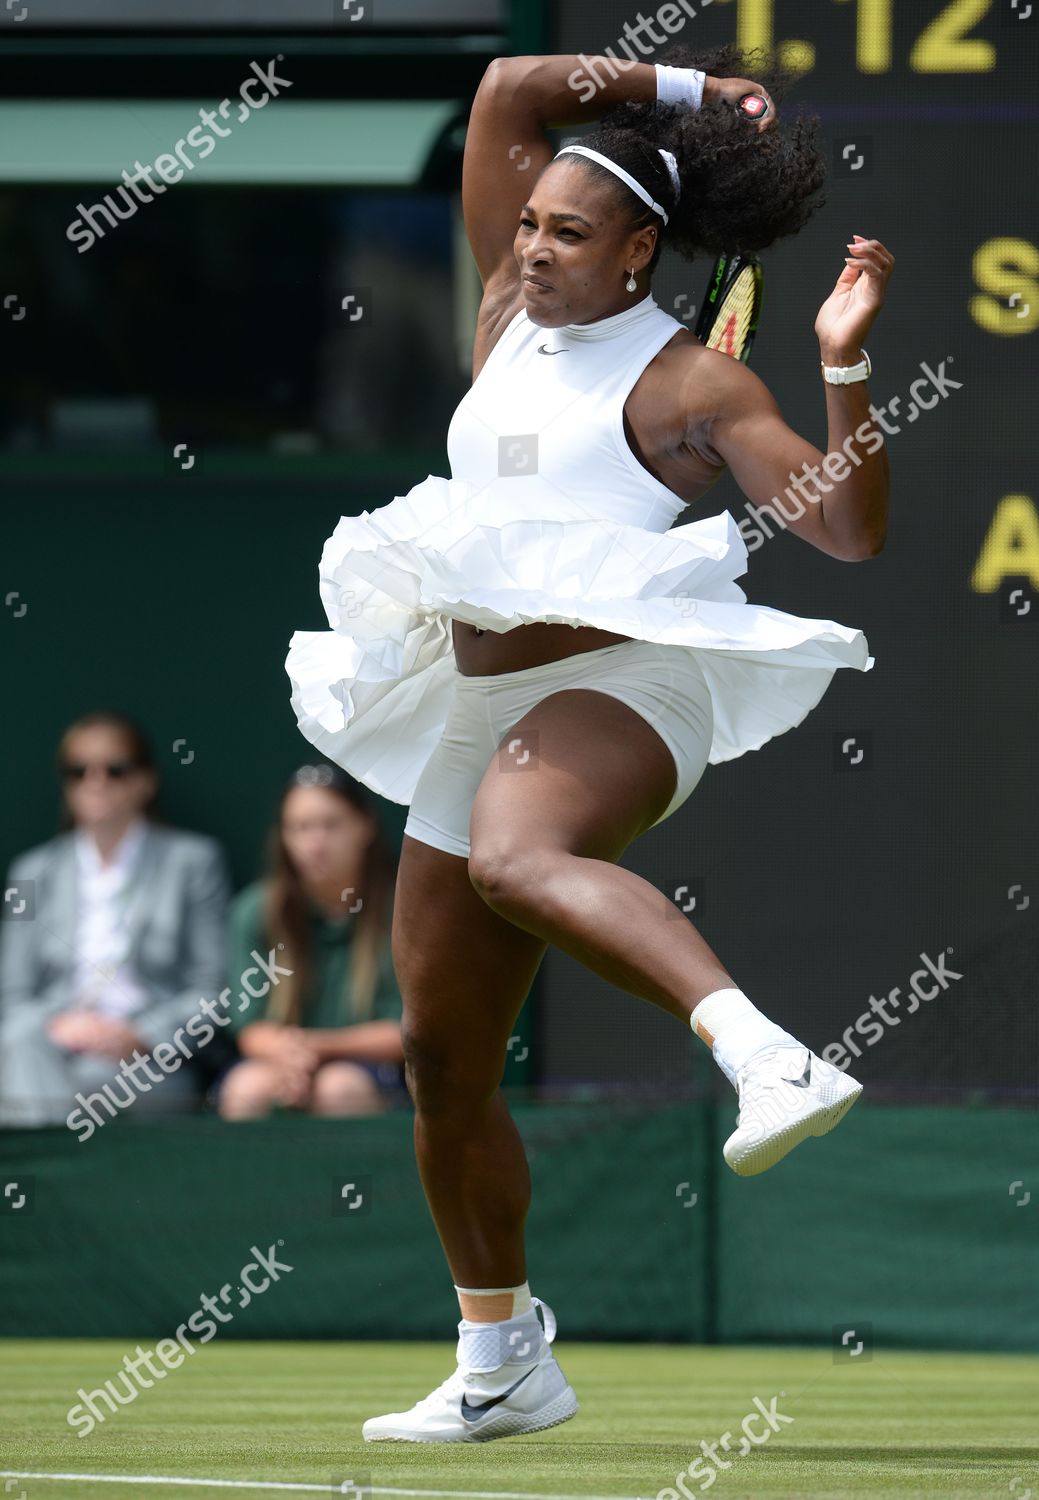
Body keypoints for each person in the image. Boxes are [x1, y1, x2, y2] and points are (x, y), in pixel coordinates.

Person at [285, 42, 893, 1442]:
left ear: (635, 255)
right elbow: (506, 89)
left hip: (631, 684)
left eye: (567, 231)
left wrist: (842, 363)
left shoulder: (692, 388)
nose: (531, 244)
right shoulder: (501, 310)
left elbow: (846, 532)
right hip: (480, 697)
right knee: (444, 1060)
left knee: (513, 851)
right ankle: (501, 1358)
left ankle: (760, 1053)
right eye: (528, 224)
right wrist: (694, 92)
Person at [0, 712, 230, 1127]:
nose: (95, 781)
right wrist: (61, 1026)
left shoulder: (193, 861)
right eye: (78, 770)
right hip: (49, 1043)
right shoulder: (30, 872)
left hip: (147, 1058)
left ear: (146, 781)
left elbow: (210, 992)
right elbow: (12, 994)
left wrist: (139, 1036)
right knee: (19, 1042)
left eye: (115, 769)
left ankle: (42, 1183)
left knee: (35, 1088)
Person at [218, 763, 404, 1119]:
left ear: (365, 826)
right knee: (247, 1089)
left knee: (337, 1089)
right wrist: (293, 1057)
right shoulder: (256, 911)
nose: (315, 844)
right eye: (300, 828)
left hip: (376, 1073)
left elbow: (405, 1034)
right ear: (284, 837)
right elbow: (249, 1029)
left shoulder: (402, 909)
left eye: (331, 825)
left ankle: (355, 1179)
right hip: (286, 1061)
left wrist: (317, 1048)